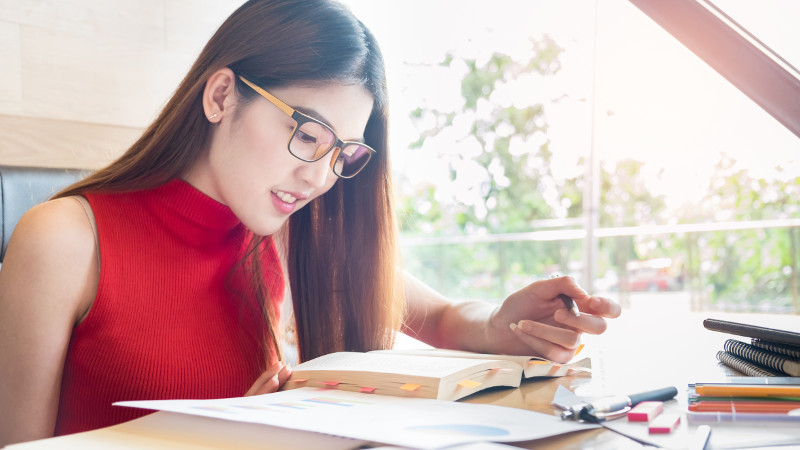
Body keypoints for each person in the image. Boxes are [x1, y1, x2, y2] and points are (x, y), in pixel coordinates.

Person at [0, 0, 621, 445]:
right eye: (306, 133)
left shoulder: (289, 231)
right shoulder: (63, 241)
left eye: (341, 153)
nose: (321, 177)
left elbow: (440, 318)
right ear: (221, 96)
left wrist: (508, 323)